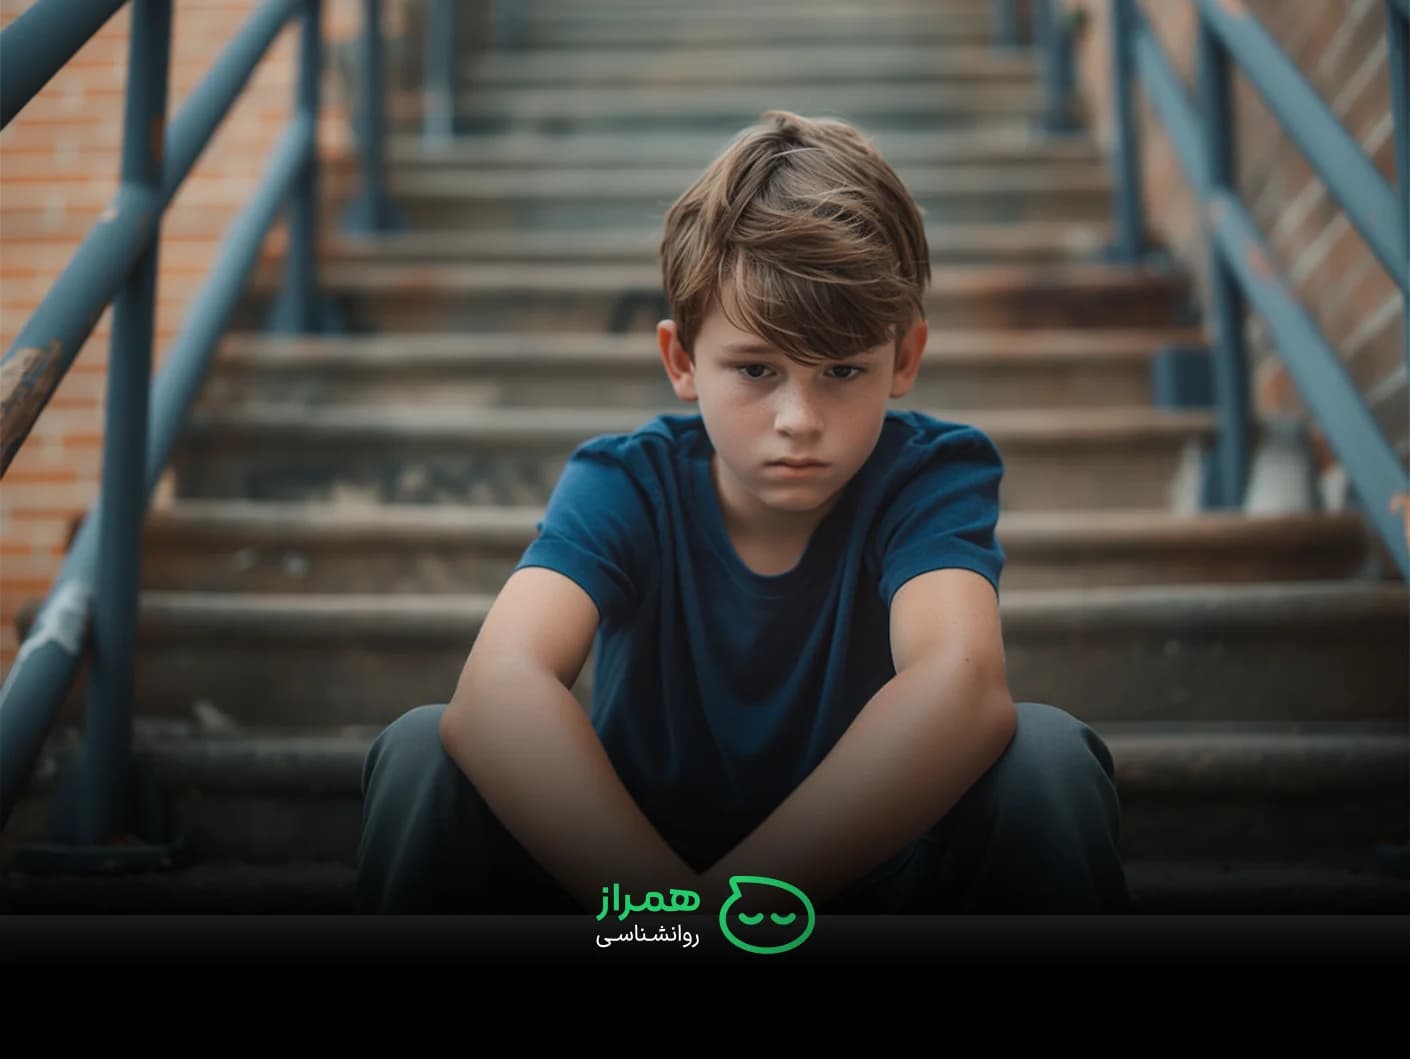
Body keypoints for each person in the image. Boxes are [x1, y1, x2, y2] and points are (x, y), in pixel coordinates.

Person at [357, 111, 1129, 915]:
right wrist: (672, 916)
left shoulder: (929, 474)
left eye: (840, 369)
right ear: (681, 361)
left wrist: (741, 909)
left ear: (904, 359)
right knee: (422, 749)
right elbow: (498, 685)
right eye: (756, 368)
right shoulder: (627, 481)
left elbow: (960, 685)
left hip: (838, 895)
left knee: (1046, 756)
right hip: (637, 918)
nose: (799, 417)